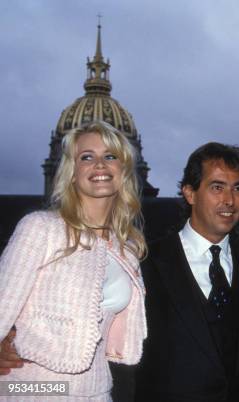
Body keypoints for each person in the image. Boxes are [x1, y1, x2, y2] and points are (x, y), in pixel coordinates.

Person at [0, 120, 147, 400]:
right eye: (87, 157)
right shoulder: (40, 228)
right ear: (71, 172)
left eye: (111, 156)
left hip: (98, 391)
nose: (100, 165)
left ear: (124, 171)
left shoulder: (128, 249)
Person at [134, 142, 239, 402]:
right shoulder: (145, 263)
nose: (230, 200)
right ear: (189, 193)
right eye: (217, 187)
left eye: (238, 188)